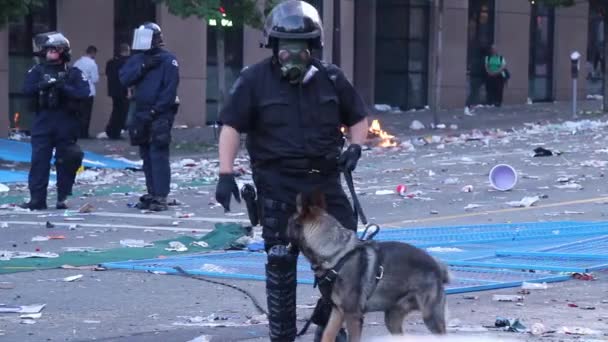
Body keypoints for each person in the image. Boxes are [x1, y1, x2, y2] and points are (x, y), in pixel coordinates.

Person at [214, 1, 369, 341]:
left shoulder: (331, 79)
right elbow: (231, 126)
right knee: (281, 263)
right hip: (278, 187)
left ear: (313, 48)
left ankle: (329, 326)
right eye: (285, 49)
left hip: (325, 184)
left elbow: (358, 117)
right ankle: (282, 335)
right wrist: (225, 173)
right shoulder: (253, 80)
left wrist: (355, 146)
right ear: (273, 47)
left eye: (300, 49)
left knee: (347, 263)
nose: (293, 57)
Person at [20, 32, 90, 210]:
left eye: (54, 50)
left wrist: (63, 86)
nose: (50, 54)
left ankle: (62, 196)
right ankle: (37, 199)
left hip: (66, 123)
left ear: (63, 52)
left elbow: (83, 93)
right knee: (39, 161)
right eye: (48, 50)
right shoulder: (37, 71)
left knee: (68, 159)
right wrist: (41, 86)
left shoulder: (73, 73)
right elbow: (26, 90)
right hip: (43, 121)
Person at [119, 22, 180, 212]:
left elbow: (169, 90)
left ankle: (161, 195)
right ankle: (152, 192)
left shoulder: (168, 60)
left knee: (158, 154)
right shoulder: (138, 59)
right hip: (140, 112)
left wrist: (156, 110)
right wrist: (143, 67)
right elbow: (124, 79)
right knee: (146, 155)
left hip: (160, 114)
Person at [105, 43, 131, 139]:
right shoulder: (127, 62)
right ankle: (116, 132)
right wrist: (129, 91)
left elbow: (108, 74)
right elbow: (127, 78)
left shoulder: (111, 62)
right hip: (123, 91)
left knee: (116, 111)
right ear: (127, 51)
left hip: (113, 91)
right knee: (122, 112)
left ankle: (111, 130)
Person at [73, 45, 99, 138]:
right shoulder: (92, 64)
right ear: (93, 53)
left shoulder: (77, 62)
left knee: (78, 113)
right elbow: (95, 79)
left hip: (77, 91)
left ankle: (77, 132)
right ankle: (84, 133)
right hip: (88, 91)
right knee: (86, 113)